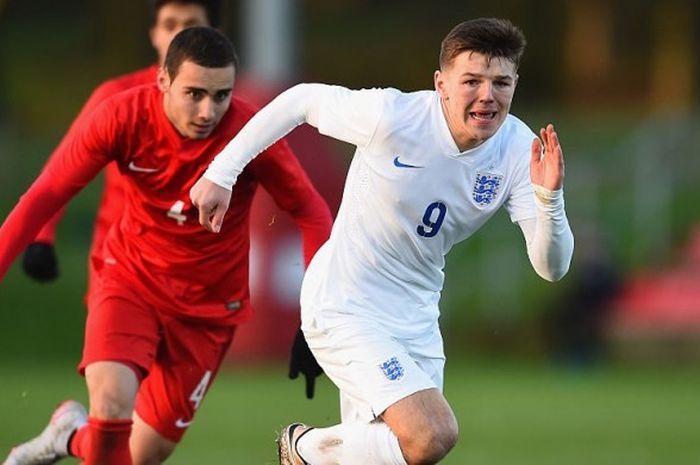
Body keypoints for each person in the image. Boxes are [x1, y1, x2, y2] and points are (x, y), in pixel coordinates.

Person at [191, 17, 575, 465]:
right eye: (471, 81)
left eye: (500, 82)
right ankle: (300, 447)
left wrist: (549, 200)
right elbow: (300, 100)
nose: (487, 95)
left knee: (393, 453)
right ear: (442, 84)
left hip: (416, 317)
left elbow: (552, 267)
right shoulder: (393, 116)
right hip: (345, 304)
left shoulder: (517, 150)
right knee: (432, 434)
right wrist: (222, 172)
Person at [0, 27, 332, 465]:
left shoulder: (251, 133)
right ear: (162, 82)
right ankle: (86, 428)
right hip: (131, 279)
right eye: (194, 93)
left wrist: (316, 317)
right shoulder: (121, 116)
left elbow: (312, 212)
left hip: (209, 310)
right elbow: (45, 194)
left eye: (221, 95)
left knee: (138, 453)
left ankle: (67, 436)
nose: (208, 110)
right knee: (112, 405)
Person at [21, 0, 218, 285]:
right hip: (119, 267)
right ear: (153, 33)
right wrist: (41, 235)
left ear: (214, 32)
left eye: (192, 25)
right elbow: (61, 170)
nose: (180, 37)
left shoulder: (225, 109)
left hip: (194, 273)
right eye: (170, 25)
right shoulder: (117, 98)